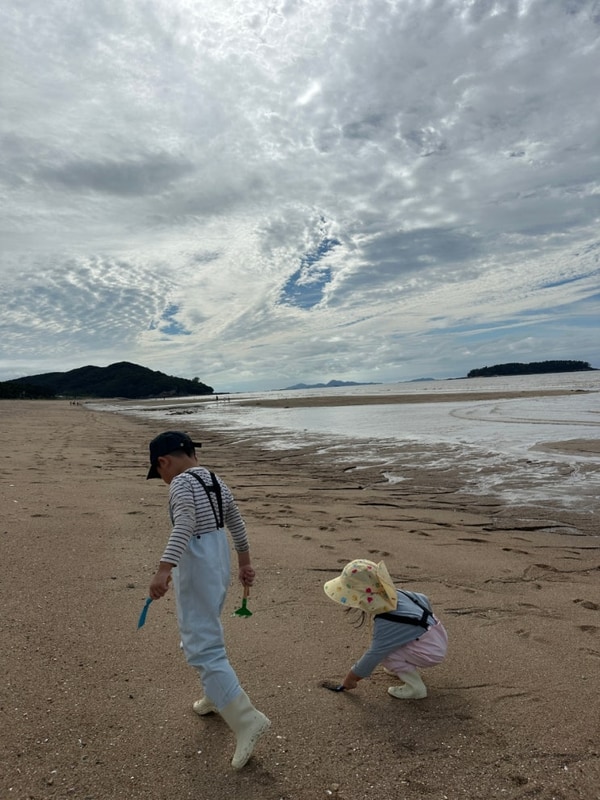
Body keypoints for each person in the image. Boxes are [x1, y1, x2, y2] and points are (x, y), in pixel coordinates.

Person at [146, 430, 270, 769]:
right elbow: (237, 523)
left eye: (159, 473)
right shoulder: (215, 480)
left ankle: (245, 719)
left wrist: (163, 569)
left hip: (198, 562)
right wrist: (244, 563)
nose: (163, 479)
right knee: (205, 630)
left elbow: (184, 524)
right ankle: (216, 695)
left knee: (202, 644)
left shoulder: (180, 484)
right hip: (217, 560)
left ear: (163, 462)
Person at [323, 559, 448, 699]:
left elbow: (375, 654)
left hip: (430, 652)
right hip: (437, 636)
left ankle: (416, 687)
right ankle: (402, 667)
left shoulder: (387, 620)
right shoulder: (398, 594)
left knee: (386, 654)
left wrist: (351, 678)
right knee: (390, 647)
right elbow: (423, 599)